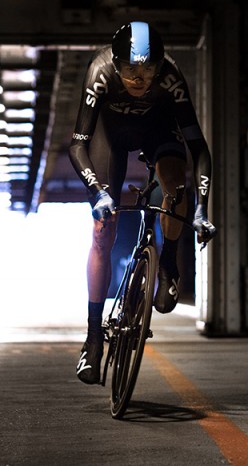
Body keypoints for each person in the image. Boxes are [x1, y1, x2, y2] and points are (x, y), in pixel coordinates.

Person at [68, 21, 217, 384]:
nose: (139, 77)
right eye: (131, 69)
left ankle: (167, 262)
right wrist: (97, 192)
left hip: (158, 130)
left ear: (159, 65)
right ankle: (92, 339)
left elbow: (198, 147)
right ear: (117, 64)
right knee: (103, 229)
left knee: (175, 186)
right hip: (110, 137)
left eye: (148, 69)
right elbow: (78, 144)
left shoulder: (171, 77)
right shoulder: (100, 72)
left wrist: (201, 208)